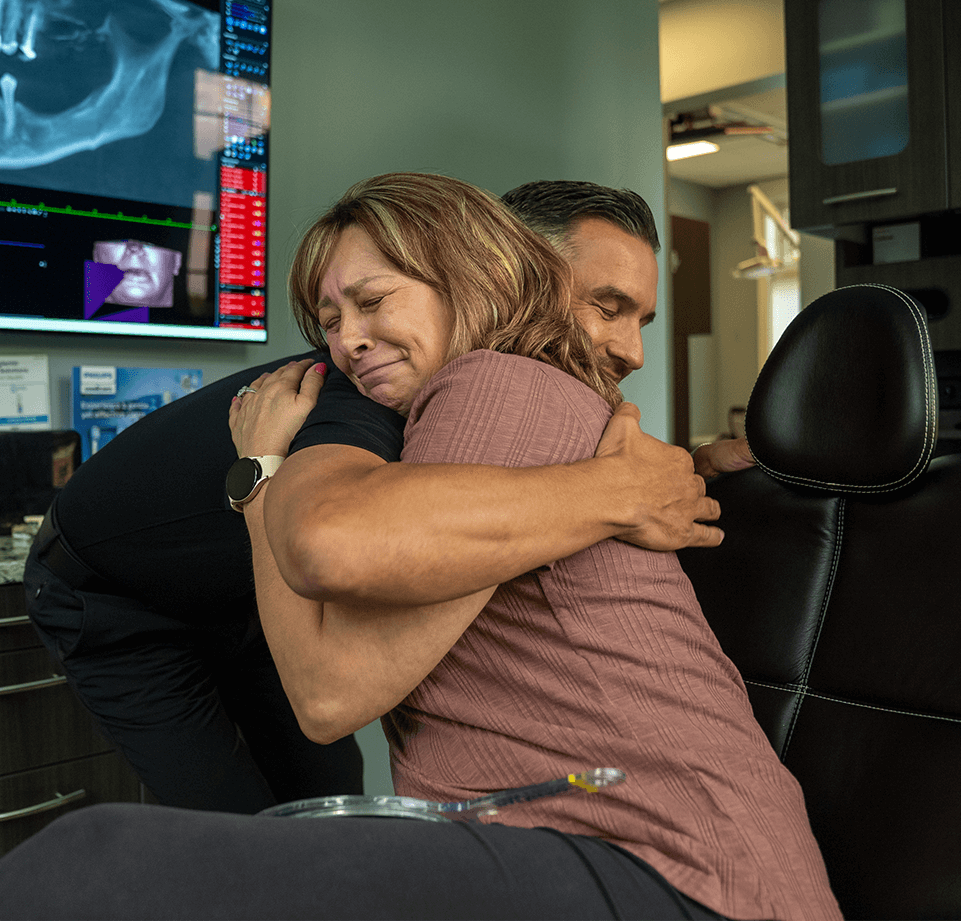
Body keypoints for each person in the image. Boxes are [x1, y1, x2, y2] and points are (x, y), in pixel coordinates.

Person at [1, 173, 836, 921]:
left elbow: (338, 670)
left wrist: (660, 477)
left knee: (204, 839)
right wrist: (259, 473)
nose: (629, 350)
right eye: (604, 305)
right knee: (241, 833)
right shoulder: (390, 396)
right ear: (507, 275)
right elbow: (347, 589)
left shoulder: (492, 387)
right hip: (111, 603)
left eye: (371, 303)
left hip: (664, 860)